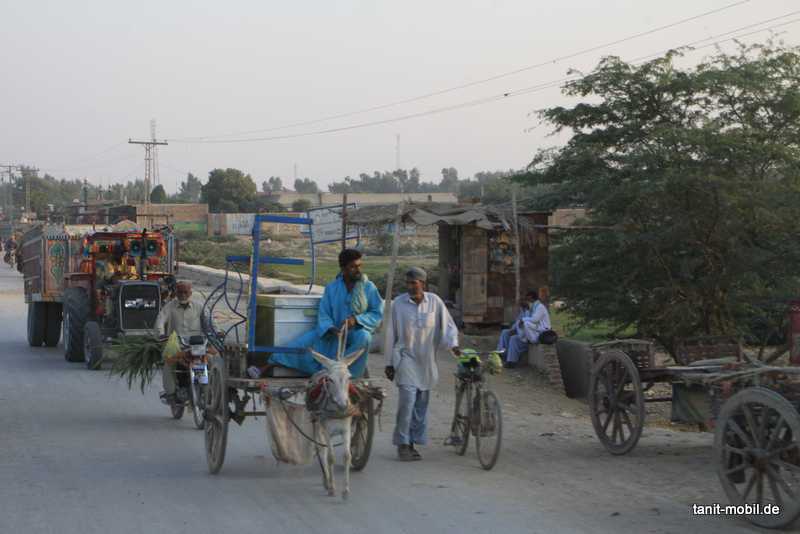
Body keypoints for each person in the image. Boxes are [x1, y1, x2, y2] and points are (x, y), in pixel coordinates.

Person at [267, 249, 383, 378]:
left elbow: (377, 313)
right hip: (332, 333)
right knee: (300, 345)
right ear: (343, 269)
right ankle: (269, 365)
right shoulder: (332, 288)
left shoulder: (368, 287)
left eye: (359, 266)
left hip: (355, 332)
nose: (358, 270)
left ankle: (349, 374)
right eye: (353, 267)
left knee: (365, 337)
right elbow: (324, 313)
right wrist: (331, 328)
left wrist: (356, 320)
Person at [385, 267, 460, 461]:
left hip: (426, 362)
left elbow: (448, 326)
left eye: (414, 283)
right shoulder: (398, 304)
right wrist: (389, 363)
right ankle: (403, 444)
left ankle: (412, 441)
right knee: (407, 402)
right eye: (408, 283)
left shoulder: (435, 302)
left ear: (423, 284)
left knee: (420, 406)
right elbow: (390, 333)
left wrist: (453, 345)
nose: (410, 286)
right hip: (405, 358)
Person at [153, 281, 205, 404]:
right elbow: (160, 319)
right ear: (176, 293)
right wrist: (161, 333)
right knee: (169, 362)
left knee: (208, 360)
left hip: (196, 345)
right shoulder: (169, 306)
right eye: (180, 292)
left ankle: (205, 388)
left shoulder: (199, 307)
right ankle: (170, 392)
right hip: (176, 345)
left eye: (185, 292)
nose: (182, 295)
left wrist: (217, 332)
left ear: (190, 293)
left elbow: (209, 321)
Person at [505, 288, 551, 368]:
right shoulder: (532, 308)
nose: (527, 301)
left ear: (532, 298)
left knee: (525, 323)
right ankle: (511, 362)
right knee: (514, 339)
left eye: (528, 299)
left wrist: (523, 320)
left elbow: (535, 319)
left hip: (542, 331)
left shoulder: (540, 307)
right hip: (533, 332)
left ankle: (533, 341)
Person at [497, 289, 537, 355]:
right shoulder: (522, 311)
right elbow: (517, 322)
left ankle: (506, 355)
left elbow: (527, 326)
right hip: (519, 331)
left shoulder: (531, 311)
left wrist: (516, 331)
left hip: (526, 335)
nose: (520, 302)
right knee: (505, 332)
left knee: (513, 338)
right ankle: (501, 353)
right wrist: (513, 329)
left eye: (523, 300)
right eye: (520, 300)